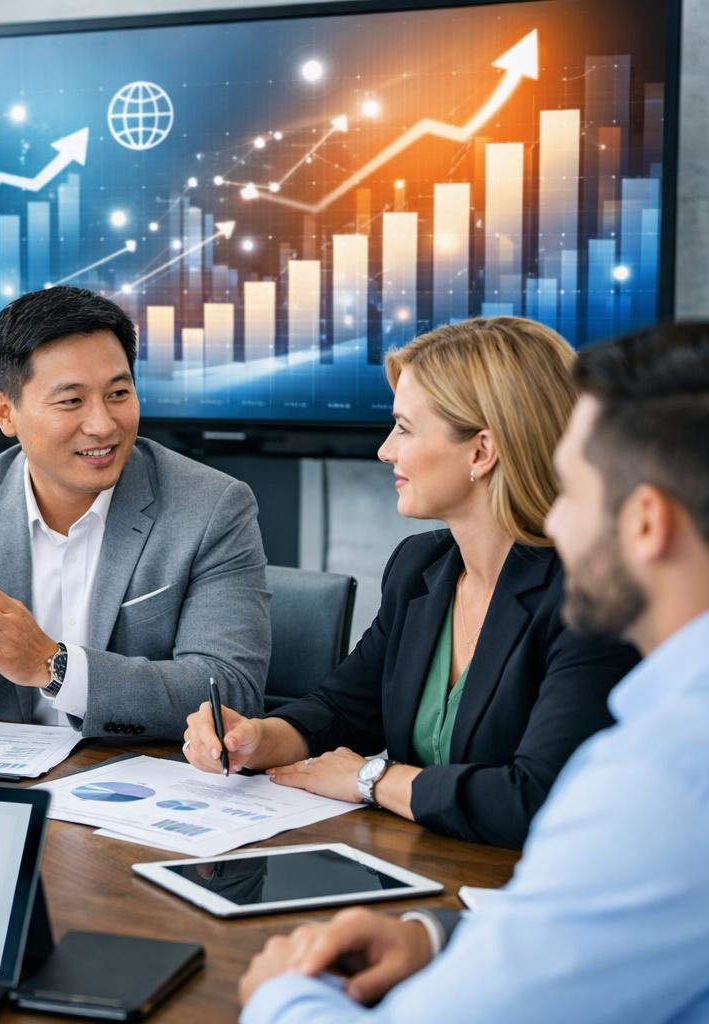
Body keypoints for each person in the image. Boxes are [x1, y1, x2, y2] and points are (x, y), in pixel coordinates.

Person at [236, 322, 709, 1022]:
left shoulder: (661, 773)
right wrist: (437, 937)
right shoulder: (423, 567)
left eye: (572, 492)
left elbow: (534, 809)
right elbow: (597, 935)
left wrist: (281, 994)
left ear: (645, 523)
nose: (558, 524)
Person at [184, 318, 637, 848]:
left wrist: (371, 780)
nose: (385, 450)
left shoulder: (588, 596)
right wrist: (259, 739)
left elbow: (534, 798)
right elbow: (345, 709)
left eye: (404, 428)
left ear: (481, 451)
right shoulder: (422, 567)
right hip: (424, 872)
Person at [0, 286, 270, 738]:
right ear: (6, 412)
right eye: (71, 401)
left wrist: (53, 665)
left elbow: (231, 690)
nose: (103, 424)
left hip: (139, 782)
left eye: (119, 393)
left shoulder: (212, 506)